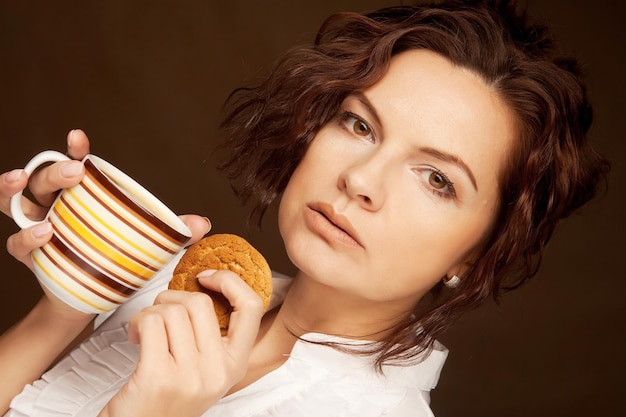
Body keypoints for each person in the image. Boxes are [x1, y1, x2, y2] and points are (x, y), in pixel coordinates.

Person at [0, 0, 610, 416]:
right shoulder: (174, 286)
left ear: (478, 255)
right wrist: (70, 304)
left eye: (436, 179)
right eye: (359, 124)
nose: (361, 180)